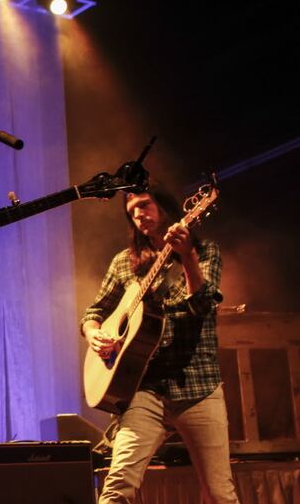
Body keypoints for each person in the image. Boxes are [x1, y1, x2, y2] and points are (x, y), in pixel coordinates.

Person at [80, 185, 239, 504]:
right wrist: (93, 332)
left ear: (167, 207)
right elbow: (94, 312)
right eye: (132, 211)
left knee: (219, 493)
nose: (139, 214)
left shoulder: (204, 251)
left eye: (145, 205)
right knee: (116, 489)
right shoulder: (124, 262)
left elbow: (203, 306)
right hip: (143, 389)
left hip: (198, 388)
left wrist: (188, 257)